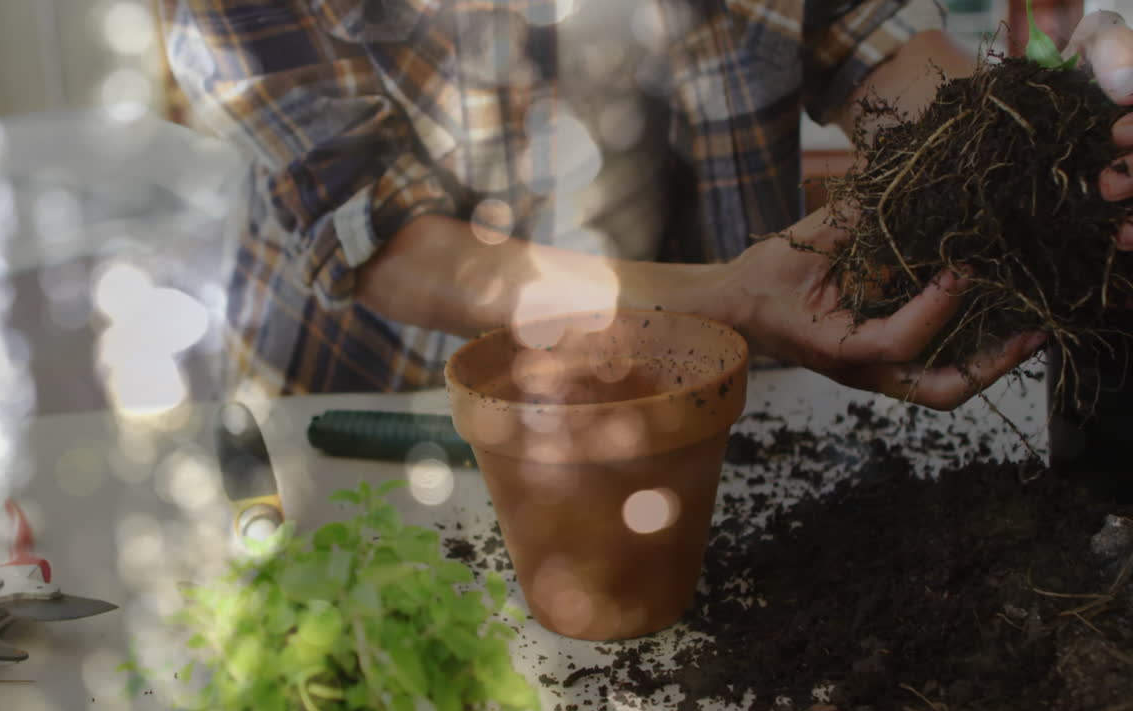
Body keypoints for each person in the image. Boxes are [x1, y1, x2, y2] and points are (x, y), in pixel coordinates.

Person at [158, 0, 1133, 409]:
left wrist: (1052, 159)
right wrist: (732, 299)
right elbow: (395, 247)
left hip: (692, 406)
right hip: (391, 421)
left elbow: (878, 55)